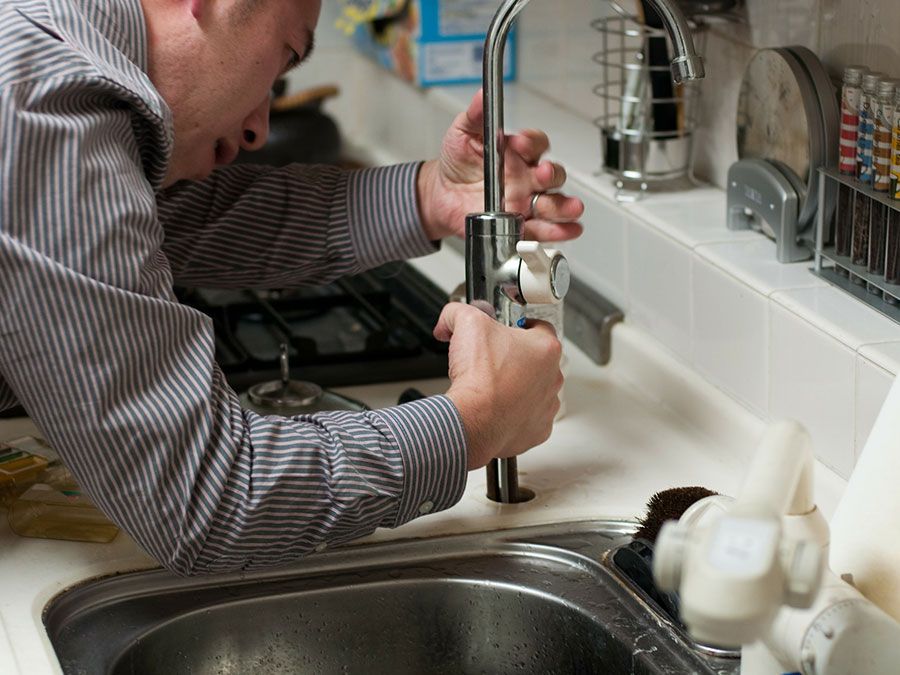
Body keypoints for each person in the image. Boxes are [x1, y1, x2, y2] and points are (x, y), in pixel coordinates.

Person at [0, 0, 584, 574]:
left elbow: (185, 223)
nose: (258, 128)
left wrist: (432, 197)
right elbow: (207, 500)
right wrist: (473, 422)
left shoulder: (46, 47)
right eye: (284, 57)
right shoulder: (49, 107)